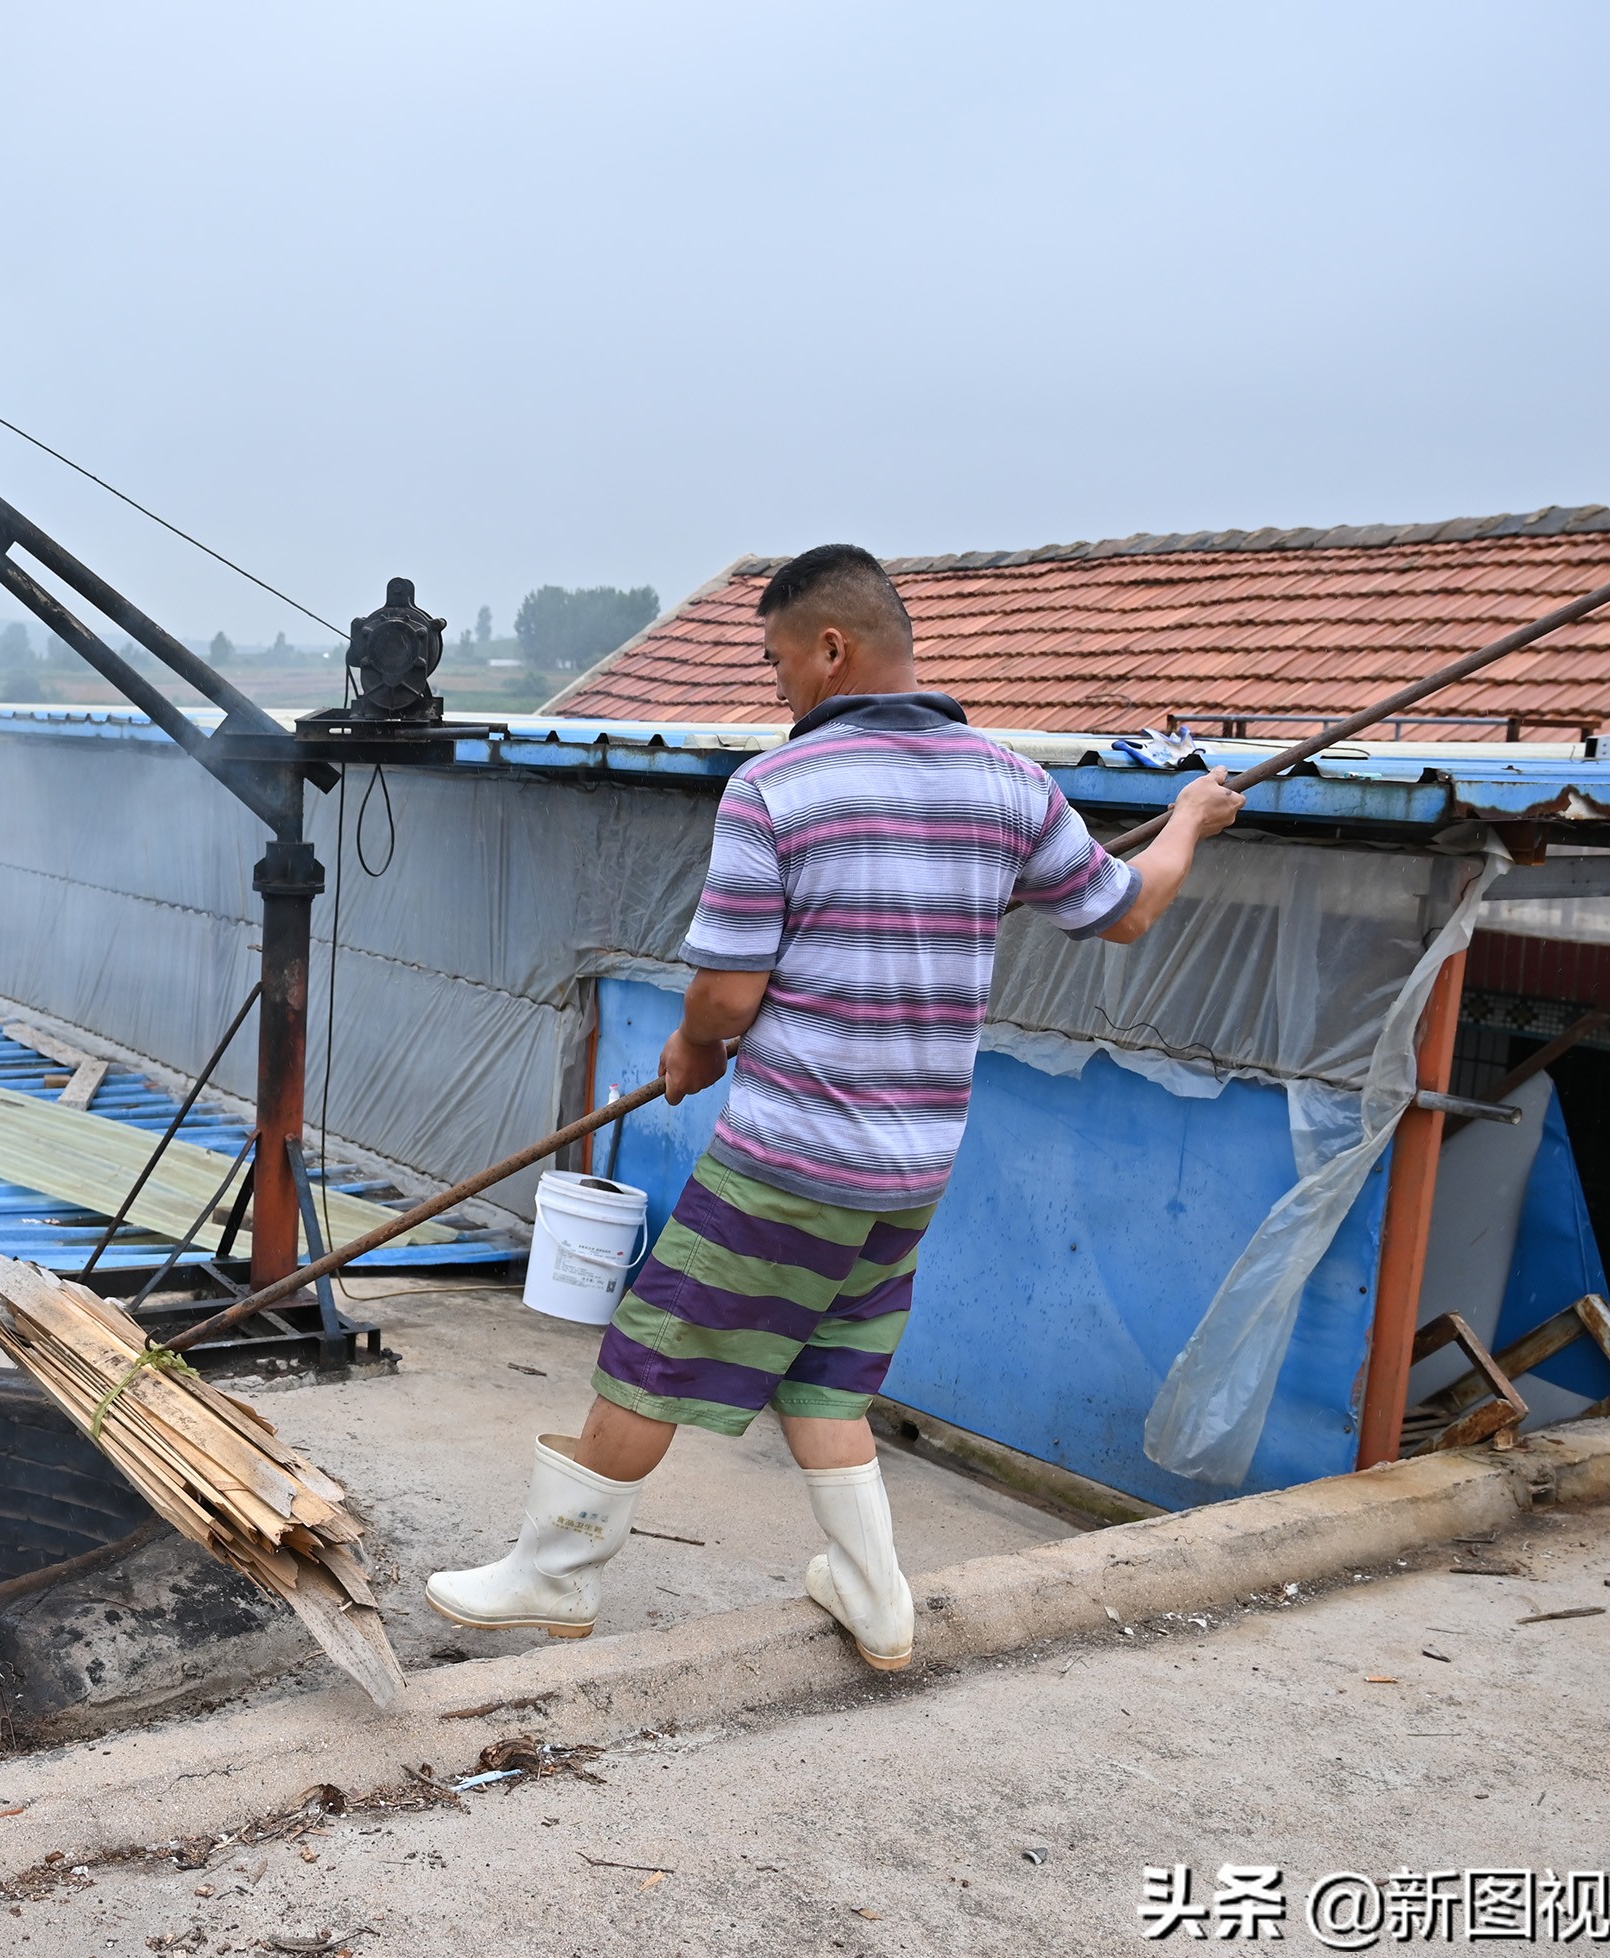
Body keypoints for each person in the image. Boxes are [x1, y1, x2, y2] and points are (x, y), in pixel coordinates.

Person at [425, 543, 1242, 1668]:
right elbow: (1125, 910)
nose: (778, 688)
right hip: (910, 1168)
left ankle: (552, 1574)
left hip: (790, 1156)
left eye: (776, 662)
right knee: (828, 1365)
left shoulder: (778, 788)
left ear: (832, 647)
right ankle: (874, 1593)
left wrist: (692, 1046)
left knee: (654, 1346)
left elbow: (723, 991)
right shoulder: (1009, 781)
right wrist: (1194, 814)